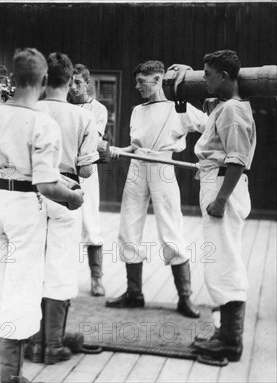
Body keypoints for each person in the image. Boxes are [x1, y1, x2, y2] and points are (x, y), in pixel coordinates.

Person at [0, 48, 84, 383]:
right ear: (44, 81)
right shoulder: (43, 124)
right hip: (23, 207)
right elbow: (47, 186)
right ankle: (9, 376)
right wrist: (72, 199)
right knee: (20, 290)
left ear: (14, 80)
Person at [106, 60, 206, 318]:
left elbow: (209, 127)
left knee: (170, 229)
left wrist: (205, 156)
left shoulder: (179, 108)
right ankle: (134, 294)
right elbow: (135, 146)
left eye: (142, 81)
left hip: (163, 166)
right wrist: (119, 151)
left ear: (159, 79)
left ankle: (185, 298)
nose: (137, 86)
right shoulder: (138, 110)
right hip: (138, 166)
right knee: (128, 228)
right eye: (136, 81)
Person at [24, 52, 99, 365]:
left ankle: (31, 344)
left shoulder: (28, 111)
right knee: (60, 268)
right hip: (66, 192)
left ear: (43, 81)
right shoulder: (83, 117)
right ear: (70, 82)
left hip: (28, 193)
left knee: (30, 268)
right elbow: (86, 172)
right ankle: (52, 345)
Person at [191, 50, 255, 365]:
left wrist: (220, 200)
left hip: (223, 191)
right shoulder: (224, 107)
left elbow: (237, 161)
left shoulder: (233, 110)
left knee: (225, 264)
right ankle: (223, 335)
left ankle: (231, 341)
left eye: (207, 74)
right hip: (215, 184)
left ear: (224, 77)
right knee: (218, 264)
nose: (203, 80)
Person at [69, 63, 109, 296]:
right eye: (70, 83)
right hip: (62, 172)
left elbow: (93, 141)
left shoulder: (98, 109)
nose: (74, 87)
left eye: (78, 83)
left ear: (87, 84)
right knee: (60, 222)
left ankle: (97, 278)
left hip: (85, 172)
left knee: (90, 223)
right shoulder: (61, 106)